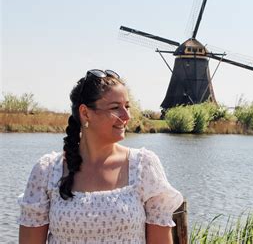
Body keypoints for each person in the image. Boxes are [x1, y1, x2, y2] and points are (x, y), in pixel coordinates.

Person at [18, 69, 183, 244]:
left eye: (127, 106)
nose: (127, 116)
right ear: (85, 113)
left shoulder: (144, 166)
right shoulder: (47, 171)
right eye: (115, 108)